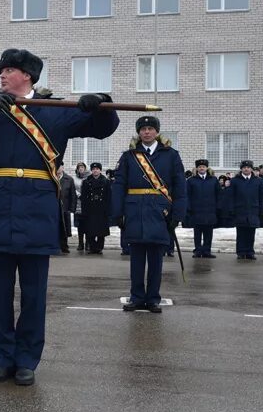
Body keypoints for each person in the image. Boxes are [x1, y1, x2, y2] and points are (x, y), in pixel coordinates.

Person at [0, 48, 119, 385]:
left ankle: (27, 361)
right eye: (1, 70)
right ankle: (3, 358)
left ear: (28, 76)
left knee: (34, 294)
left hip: (35, 210)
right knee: (0, 293)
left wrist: (102, 103)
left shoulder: (54, 110)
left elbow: (104, 127)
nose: (2, 76)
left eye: (9, 70)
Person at [110, 116, 186, 312]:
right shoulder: (129, 156)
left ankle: (153, 298)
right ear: (139, 132)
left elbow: (180, 187)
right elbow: (119, 185)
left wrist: (177, 215)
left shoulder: (171, 155)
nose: (146, 132)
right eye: (143, 129)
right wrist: (117, 213)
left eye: (151, 128)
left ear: (157, 132)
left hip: (160, 212)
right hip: (134, 211)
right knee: (136, 259)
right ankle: (136, 297)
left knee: (155, 260)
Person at [231, 159, 263, 260]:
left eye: (248, 167)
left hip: (253, 210)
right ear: (241, 169)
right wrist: (231, 209)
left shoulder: (258, 181)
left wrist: (262, 208)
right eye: (244, 167)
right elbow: (231, 196)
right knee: (241, 232)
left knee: (251, 233)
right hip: (240, 210)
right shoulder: (235, 181)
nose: (246, 169)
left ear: (251, 169)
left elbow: (262, 196)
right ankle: (241, 252)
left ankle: (250, 252)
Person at [186, 159, 220, 258]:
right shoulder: (191, 181)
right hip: (196, 211)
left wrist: (217, 207)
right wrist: (189, 208)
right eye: (200, 167)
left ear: (206, 168)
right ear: (197, 168)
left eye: (203, 167)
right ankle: (198, 250)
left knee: (208, 233)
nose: (202, 168)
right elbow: (187, 195)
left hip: (210, 211)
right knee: (197, 233)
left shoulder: (213, 180)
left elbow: (219, 195)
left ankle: (207, 251)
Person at [78, 162, 111, 254]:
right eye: (93, 169)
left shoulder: (106, 182)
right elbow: (84, 197)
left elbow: (109, 197)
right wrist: (84, 210)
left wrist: (108, 210)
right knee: (90, 229)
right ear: (91, 170)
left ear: (100, 170)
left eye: (97, 169)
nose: (95, 170)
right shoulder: (86, 182)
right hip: (90, 208)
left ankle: (99, 248)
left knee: (101, 231)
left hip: (101, 209)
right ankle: (92, 248)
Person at [57, 166, 75, 253]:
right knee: (55, 227)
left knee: (65, 227)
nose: (58, 169)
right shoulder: (52, 177)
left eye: (60, 167)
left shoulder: (69, 179)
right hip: (54, 207)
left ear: (63, 168)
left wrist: (72, 208)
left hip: (65, 207)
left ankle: (64, 246)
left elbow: (72, 195)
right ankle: (55, 245)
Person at [72, 162, 87, 251]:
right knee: (80, 226)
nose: (81, 168)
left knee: (87, 225)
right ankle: (80, 243)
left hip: (86, 204)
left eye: (82, 167)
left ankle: (88, 243)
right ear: (77, 169)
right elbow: (73, 188)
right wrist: (78, 194)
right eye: (79, 167)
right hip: (78, 204)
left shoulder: (88, 178)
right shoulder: (74, 179)